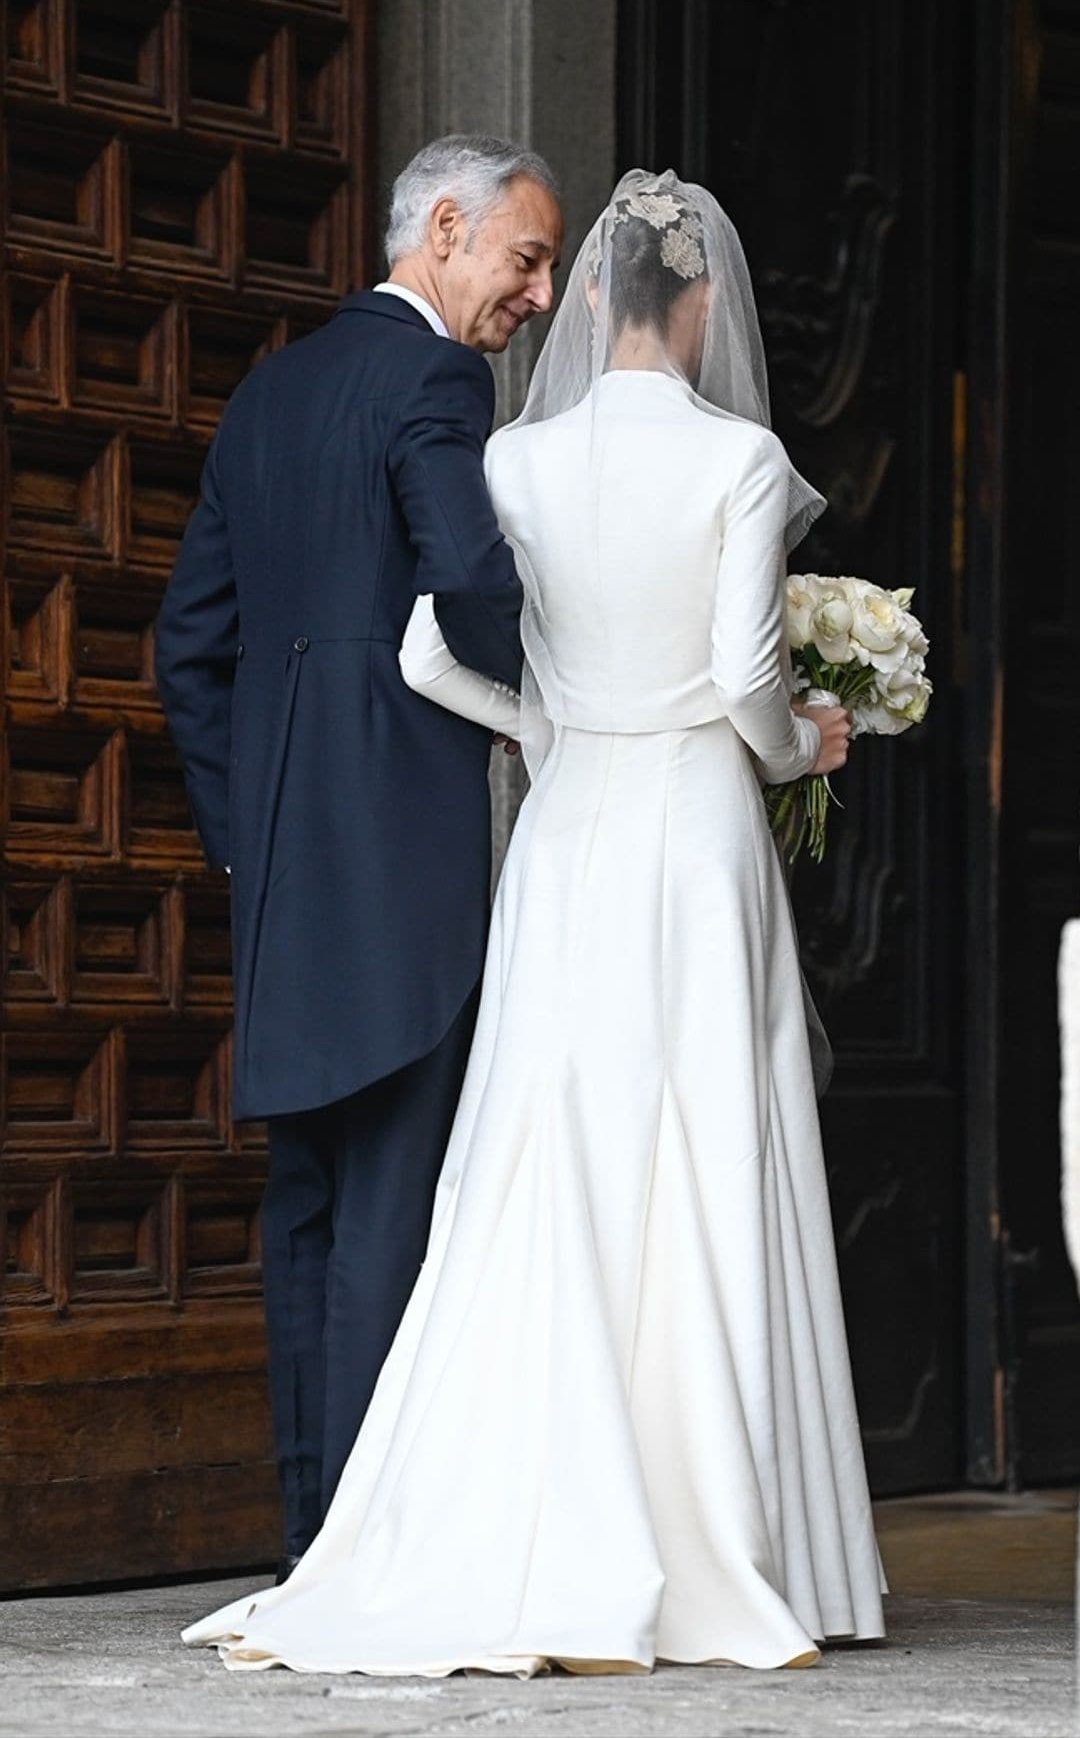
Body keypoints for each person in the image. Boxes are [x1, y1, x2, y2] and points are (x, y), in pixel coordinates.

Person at [182, 169, 885, 1674]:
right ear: (702, 305)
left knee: (533, 1156)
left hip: (567, 837)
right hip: (692, 826)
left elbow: (436, 648)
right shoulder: (742, 457)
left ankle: (415, 1515)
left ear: (593, 299)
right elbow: (749, 676)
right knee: (704, 1134)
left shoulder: (515, 457)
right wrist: (804, 742)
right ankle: (730, 1535)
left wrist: (555, 728)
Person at [155, 134, 563, 1582]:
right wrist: (565, 718)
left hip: (281, 879)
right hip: (400, 865)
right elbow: (466, 577)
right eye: (524, 257)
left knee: (309, 1208)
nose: (539, 293)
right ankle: (366, 1557)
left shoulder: (266, 394)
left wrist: (243, 834)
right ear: (442, 229)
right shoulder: (434, 380)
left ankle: (308, 1535)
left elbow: (185, 649)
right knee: (389, 1206)